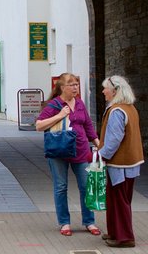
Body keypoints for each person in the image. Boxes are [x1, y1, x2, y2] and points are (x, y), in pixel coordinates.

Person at [35, 73, 101, 237]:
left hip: (81, 150)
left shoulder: (79, 103)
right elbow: (39, 126)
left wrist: (100, 146)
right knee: (61, 187)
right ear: (62, 87)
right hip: (59, 152)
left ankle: (89, 221)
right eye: (72, 85)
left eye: (76, 84)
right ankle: (64, 223)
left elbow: (88, 127)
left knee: (86, 187)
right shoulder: (54, 105)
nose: (75, 87)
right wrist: (59, 116)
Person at [98, 75, 144, 248]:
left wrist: (100, 156)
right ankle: (115, 231)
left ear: (115, 91)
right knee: (117, 199)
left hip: (120, 164)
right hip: (129, 162)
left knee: (119, 200)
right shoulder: (129, 108)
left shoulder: (117, 111)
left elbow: (114, 140)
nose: (103, 91)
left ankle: (124, 237)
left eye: (106, 88)